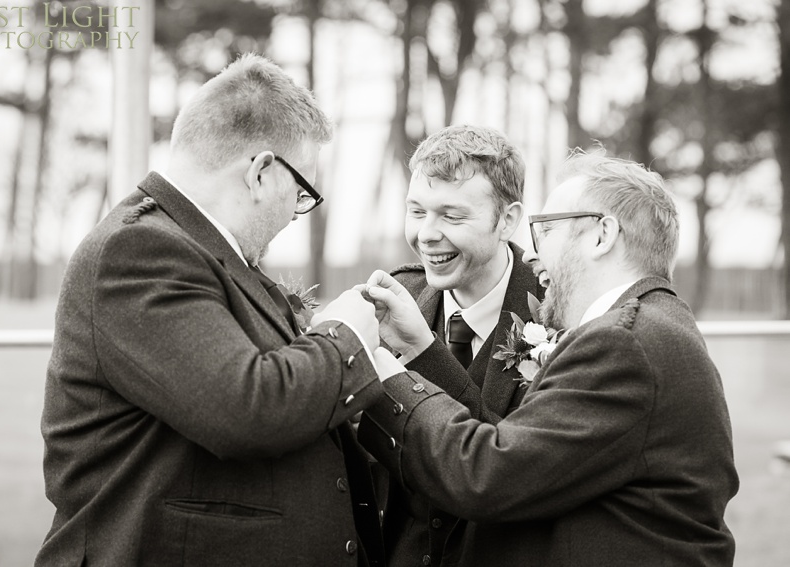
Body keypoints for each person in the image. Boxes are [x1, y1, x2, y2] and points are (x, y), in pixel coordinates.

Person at [36, 53, 386, 566]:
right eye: (302, 191)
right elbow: (248, 409)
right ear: (263, 172)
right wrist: (345, 336)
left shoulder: (202, 253)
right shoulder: (138, 252)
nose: (296, 212)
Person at [358, 150, 739, 566]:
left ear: (601, 236)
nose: (531, 256)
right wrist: (421, 351)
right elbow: (524, 456)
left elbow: (488, 475)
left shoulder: (624, 344)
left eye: (544, 232)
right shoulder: (651, 327)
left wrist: (380, 370)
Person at [370, 125, 544, 567]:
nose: (427, 234)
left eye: (451, 216)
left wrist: (425, 352)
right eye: (416, 211)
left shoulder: (556, 315)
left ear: (507, 219)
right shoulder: (394, 297)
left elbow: (512, 474)